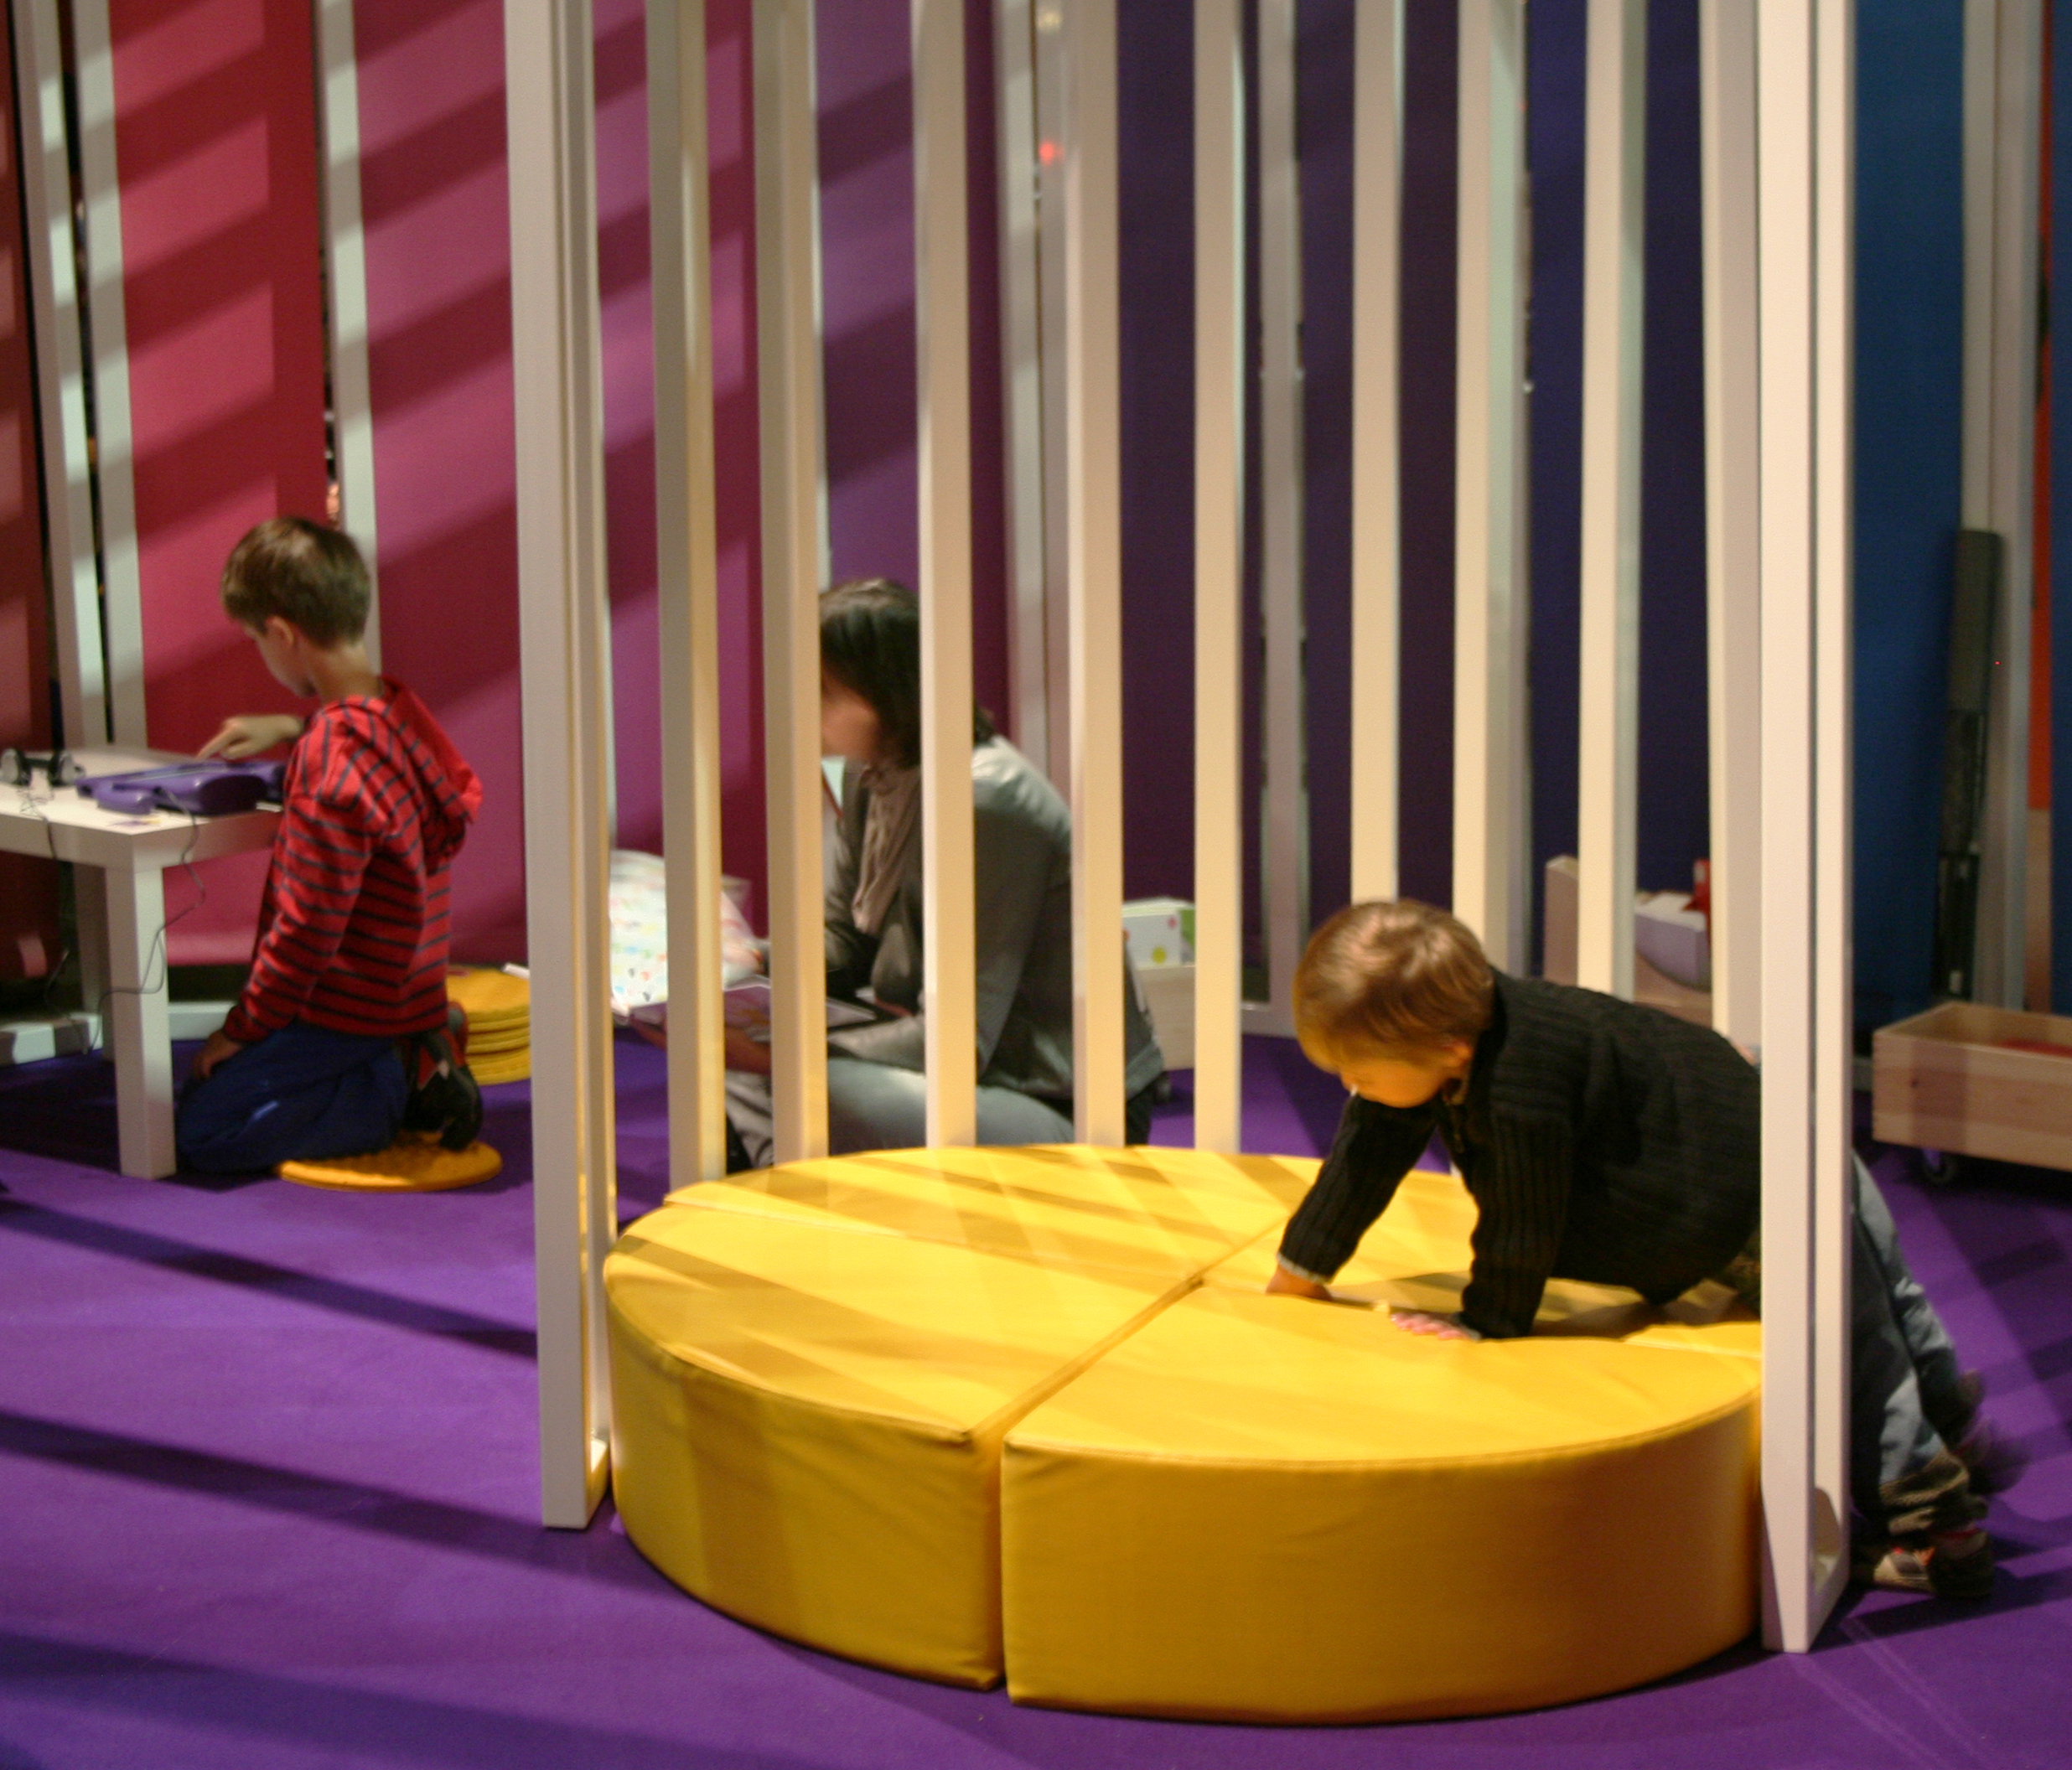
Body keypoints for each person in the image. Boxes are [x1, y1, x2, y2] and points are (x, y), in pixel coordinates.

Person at [1266, 898, 2024, 1601]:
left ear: (1450, 1047)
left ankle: (1942, 1535)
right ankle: (1957, 1436)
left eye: (1358, 1072)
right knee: (1888, 1297)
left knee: (1850, 1352)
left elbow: (1524, 1216)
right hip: (1772, 1111)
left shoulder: (1521, 1083)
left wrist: (1487, 1319)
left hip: (1751, 1192)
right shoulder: (1462, 1030)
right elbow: (1365, 1155)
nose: (1351, 1086)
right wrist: (1301, 1270)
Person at [723, 578, 1165, 1165]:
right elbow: (846, 945)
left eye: (823, 691)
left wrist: (781, 1056)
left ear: (888, 691)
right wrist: (751, 959)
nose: (805, 710)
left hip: (1063, 1097)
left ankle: (788, 1180)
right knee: (745, 1057)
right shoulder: (867, 774)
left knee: (806, 1086)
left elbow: (959, 1039)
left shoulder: (987, 800)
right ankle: (792, 1176)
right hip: (978, 1070)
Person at [174, 518, 484, 1173]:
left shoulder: (330, 766)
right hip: (404, 991)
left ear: (283, 634)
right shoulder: (397, 713)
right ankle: (414, 1048)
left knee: (201, 1125)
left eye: (257, 640)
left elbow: (307, 929)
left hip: (350, 1013)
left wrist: (242, 1028)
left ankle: (394, 1084)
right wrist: (295, 727)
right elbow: (362, 749)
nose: (261, 653)